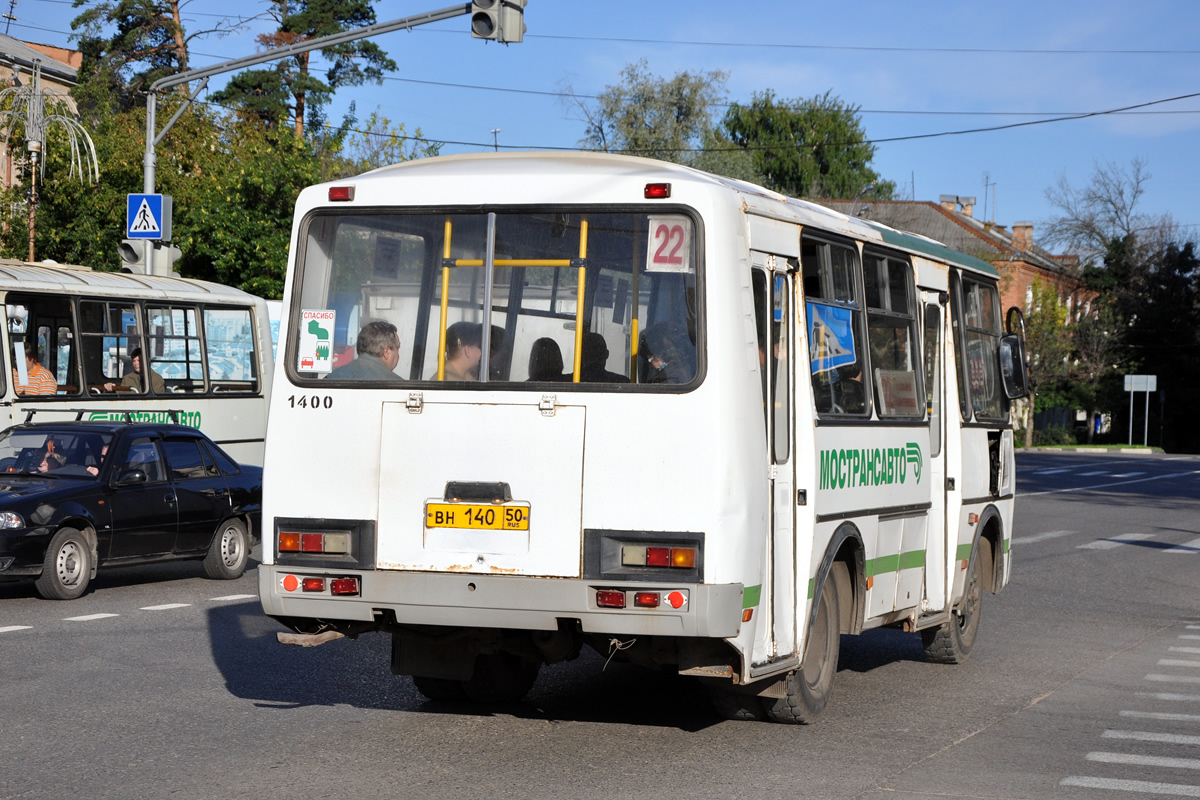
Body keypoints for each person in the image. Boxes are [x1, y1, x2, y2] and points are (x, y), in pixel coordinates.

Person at [327, 320, 403, 382]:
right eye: (397, 348)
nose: (398, 355)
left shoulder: (330, 379)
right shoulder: (399, 387)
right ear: (386, 352)